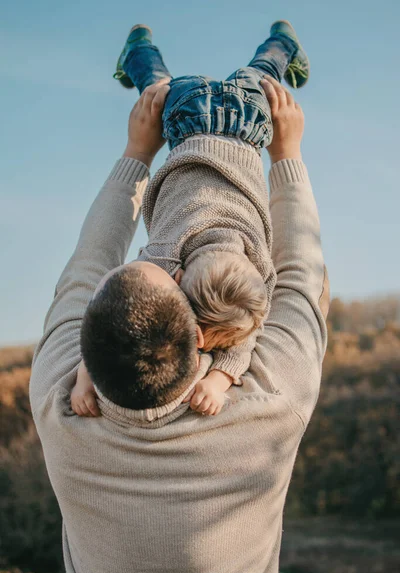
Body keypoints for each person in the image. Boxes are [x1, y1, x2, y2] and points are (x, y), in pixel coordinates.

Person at [30, 34, 329, 573]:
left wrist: (137, 156)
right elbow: (305, 282)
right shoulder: (269, 402)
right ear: (196, 333)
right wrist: (285, 156)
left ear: (85, 353)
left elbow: (85, 264)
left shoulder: (59, 400)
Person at [71, 21, 312, 417]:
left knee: (265, 72)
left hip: (249, 121)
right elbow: (113, 311)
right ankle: (138, 53)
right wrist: (86, 376)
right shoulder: (165, 258)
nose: (204, 347)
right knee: (155, 88)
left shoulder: (259, 275)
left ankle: (282, 41)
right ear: (176, 281)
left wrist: (217, 377)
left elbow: (117, 315)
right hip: (185, 118)